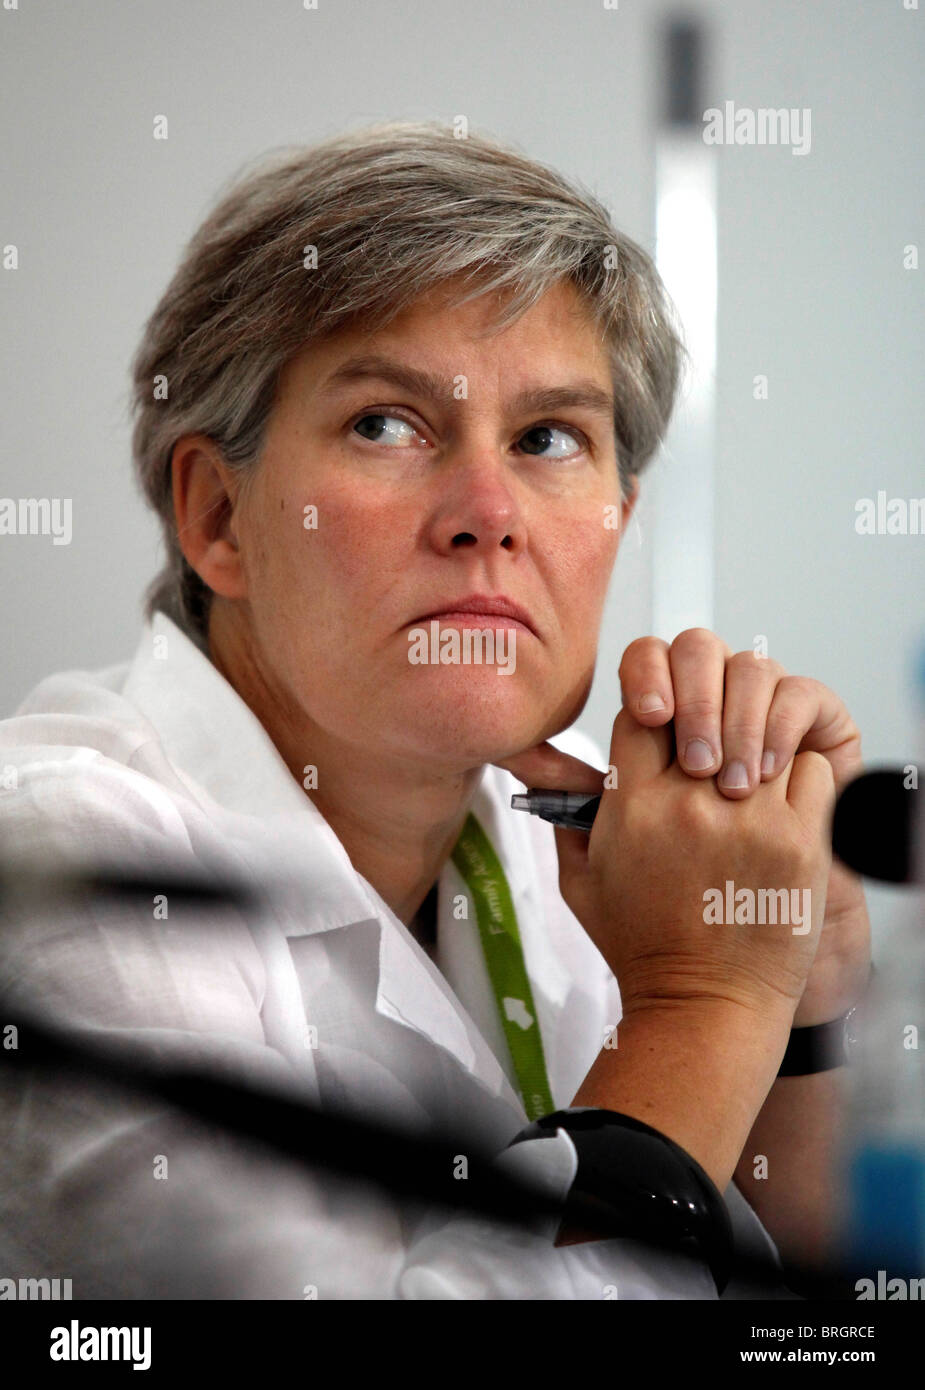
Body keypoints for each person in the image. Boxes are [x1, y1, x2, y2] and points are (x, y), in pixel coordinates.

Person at [0, 120, 871, 1299]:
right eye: (386, 424)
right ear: (217, 518)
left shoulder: (569, 837)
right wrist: (701, 1009)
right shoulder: (66, 855)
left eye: (548, 438)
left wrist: (791, 1010)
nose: (486, 512)